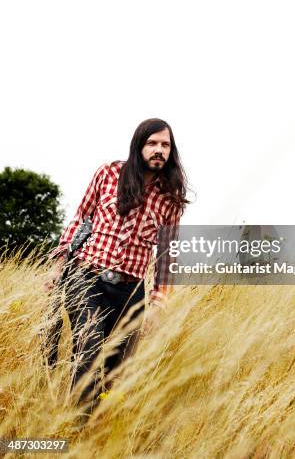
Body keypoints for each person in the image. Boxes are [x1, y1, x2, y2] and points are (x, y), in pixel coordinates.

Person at [44, 118, 189, 413]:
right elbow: (79, 217)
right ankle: (74, 425)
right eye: (152, 143)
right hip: (87, 278)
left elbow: (166, 256)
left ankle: (94, 421)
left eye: (165, 145)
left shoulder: (171, 199)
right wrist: (59, 262)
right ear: (139, 146)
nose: (159, 150)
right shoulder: (108, 174)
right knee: (90, 344)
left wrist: (159, 303)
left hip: (130, 290)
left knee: (115, 367)